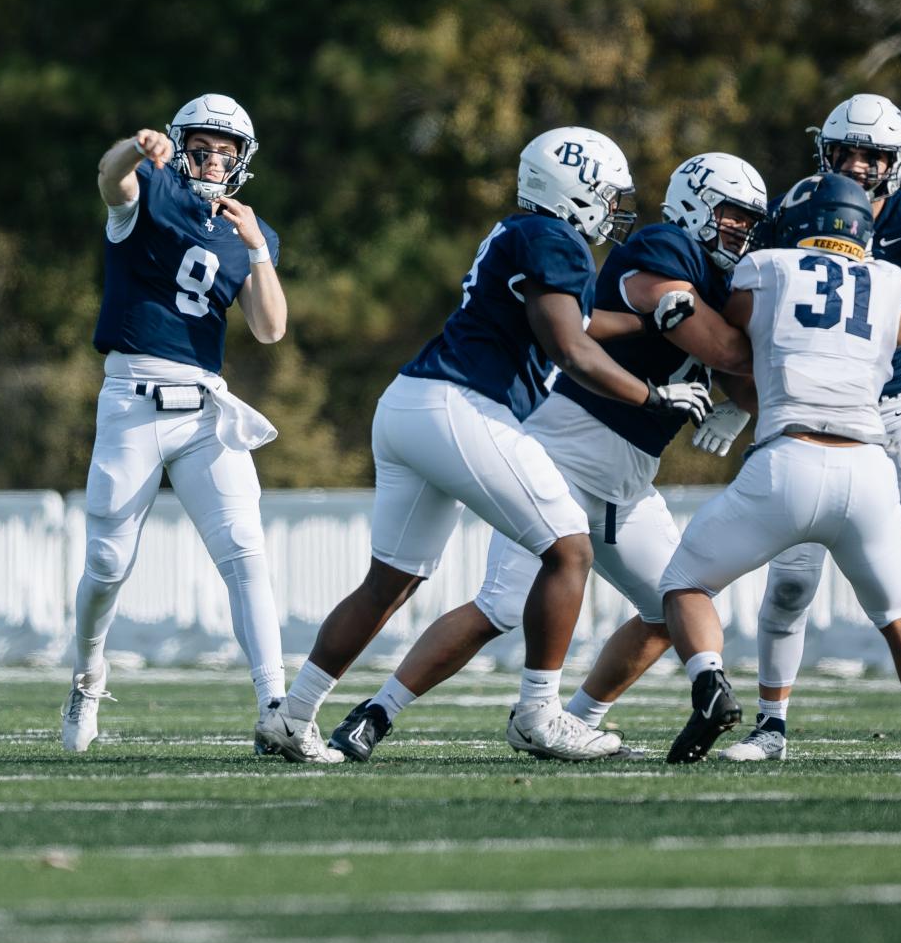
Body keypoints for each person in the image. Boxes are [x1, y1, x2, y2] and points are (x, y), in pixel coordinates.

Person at [282, 127, 714, 763]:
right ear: (575, 190)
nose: (615, 210)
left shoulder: (525, 233)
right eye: (607, 195)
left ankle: (291, 716)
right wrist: (653, 398)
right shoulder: (555, 237)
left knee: (391, 581)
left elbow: (581, 318)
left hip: (409, 403)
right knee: (568, 547)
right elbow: (571, 345)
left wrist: (647, 321)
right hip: (461, 404)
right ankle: (540, 713)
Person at [655, 173, 901, 766]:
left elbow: (730, 338)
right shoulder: (891, 281)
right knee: (900, 614)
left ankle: (711, 684)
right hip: (869, 469)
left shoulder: (768, 267)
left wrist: (727, 392)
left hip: (789, 460)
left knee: (684, 582)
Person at [64, 95, 307, 757]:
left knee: (246, 555)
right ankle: (87, 677)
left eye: (226, 151)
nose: (212, 160)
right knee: (108, 563)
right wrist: (133, 147)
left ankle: (275, 707)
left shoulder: (248, 230)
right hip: (133, 400)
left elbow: (270, 327)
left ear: (241, 162)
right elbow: (107, 177)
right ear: (178, 144)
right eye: (202, 146)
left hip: (204, 408)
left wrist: (257, 249)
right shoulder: (149, 189)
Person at [725, 95, 901, 761]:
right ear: (822, 151)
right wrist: (733, 392)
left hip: (891, 406)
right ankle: (770, 723)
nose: (856, 164)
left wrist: (896, 295)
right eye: (845, 151)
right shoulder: (789, 214)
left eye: (872, 154)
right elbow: (748, 321)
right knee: (793, 579)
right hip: (806, 408)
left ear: (897, 161)